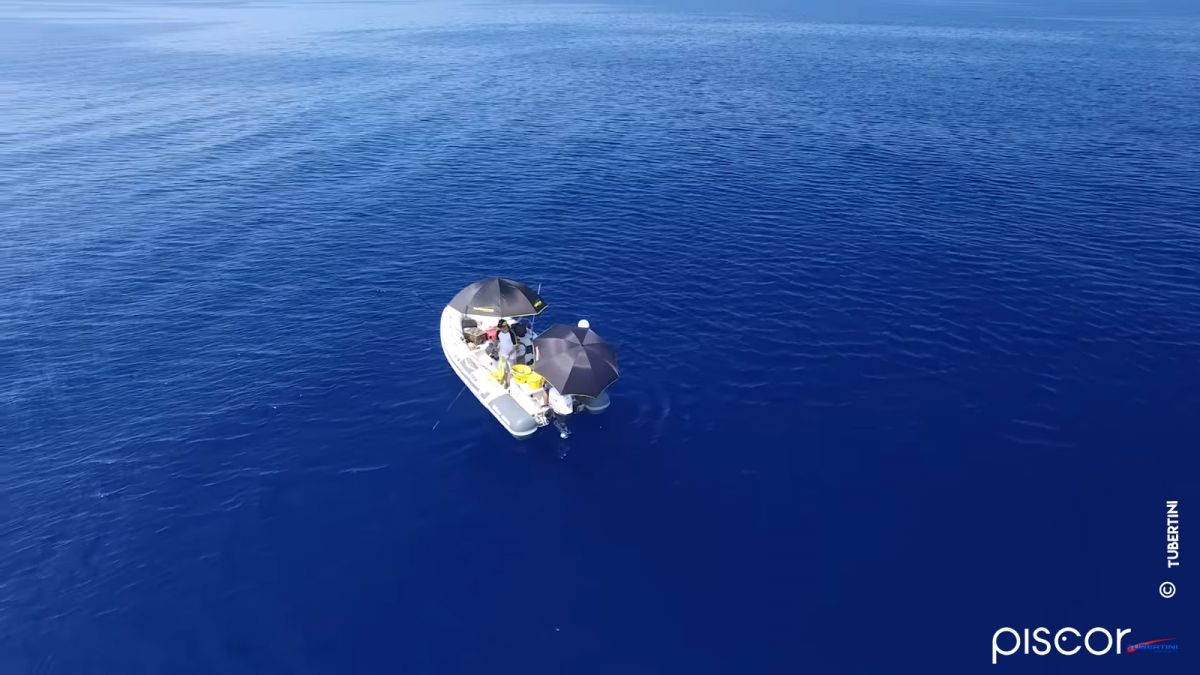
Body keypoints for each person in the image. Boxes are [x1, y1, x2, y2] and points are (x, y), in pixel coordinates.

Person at [496, 320, 516, 387]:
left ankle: (508, 384)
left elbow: (515, 346)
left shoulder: (511, 334)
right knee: (503, 368)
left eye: (501, 327)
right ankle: (503, 380)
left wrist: (509, 354)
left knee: (511, 369)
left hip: (511, 355)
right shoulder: (498, 332)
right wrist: (496, 346)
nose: (500, 329)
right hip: (502, 354)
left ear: (505, 327)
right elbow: (498, 341)